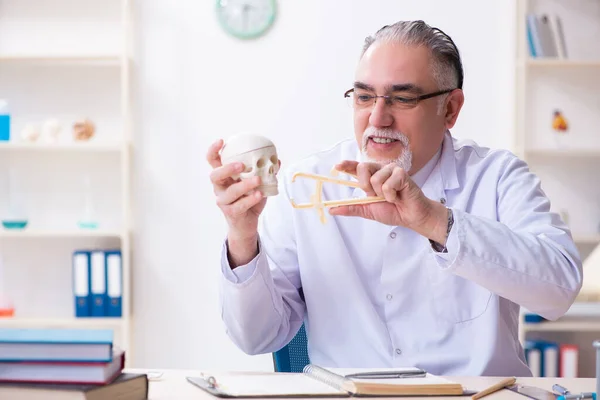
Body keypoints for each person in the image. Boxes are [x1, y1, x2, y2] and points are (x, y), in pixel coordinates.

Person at [206, 20, 583, 376]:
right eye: (364, 97)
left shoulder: (497, 176)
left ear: (450, 109)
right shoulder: (305, 186)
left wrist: (435, 222)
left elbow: (559, 291)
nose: (377, 118)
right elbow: (256, 338)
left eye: (402, 99)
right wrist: (242, 235)